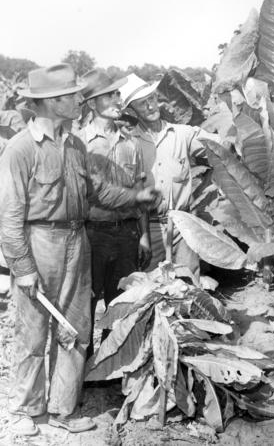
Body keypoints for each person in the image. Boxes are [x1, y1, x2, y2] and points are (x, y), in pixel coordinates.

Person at [0, 64, 158, 436]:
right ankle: (26, 408)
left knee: (76, 328)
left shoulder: (74, 145)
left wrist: (135, 196)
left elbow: (98, 192)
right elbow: (8, 217)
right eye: (71, 96)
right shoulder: (20, 149)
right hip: (39, 241)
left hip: (77, 240)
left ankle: (62, 408)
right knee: (33, 331)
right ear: (53, 103)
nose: (77, 101)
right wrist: (22, 267)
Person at [78, 69, 151, 357]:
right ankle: (84, 367)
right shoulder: (79, 141)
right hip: (92, 234)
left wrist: (144, 235)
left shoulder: (130, 144)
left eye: (116, 94)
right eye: (108, 95)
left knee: (120, 303)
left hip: (126, 234)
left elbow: (139, 195)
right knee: (87, 302)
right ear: (92, 103)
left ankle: (112, 366)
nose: (116, 99)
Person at [118, 73, 218, 276]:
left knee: (188, 288)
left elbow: (221, 147)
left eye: (152, 99)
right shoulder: (129, 142)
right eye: (142, 104)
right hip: (149, 228)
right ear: (131, 110)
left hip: (183, 226)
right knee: (152, 290)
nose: (150, 106)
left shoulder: (182, 134)